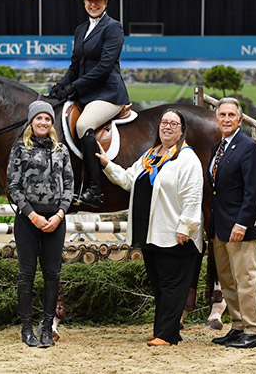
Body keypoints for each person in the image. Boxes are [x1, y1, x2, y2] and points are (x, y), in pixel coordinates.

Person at [96, 109, 204, 346]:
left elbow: (193, 196)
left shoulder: (187, 159)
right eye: (164, 122)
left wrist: (186, 227)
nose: (167, 127)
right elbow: (127, 180)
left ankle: (167, 335)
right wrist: (107, 164)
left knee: (172, 284)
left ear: (181, 130)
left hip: (175, 234)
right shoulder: (151, 156)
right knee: (159, 284)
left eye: (173, 123)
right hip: (150, 232)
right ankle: (163, 330)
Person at [49, 0, 130, 209]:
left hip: (108, 93)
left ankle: (94, 189)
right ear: (84, 3)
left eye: (98, 0)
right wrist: (60, 86)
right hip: (85, 93)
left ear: (105, 2)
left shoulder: (113, 27)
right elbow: (75, 65)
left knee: (84, 125)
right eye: (89, 0)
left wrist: (73, 88)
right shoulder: (81, 29)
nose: (93, 4)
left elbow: (105, 67)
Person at [7, 100, 74, 348]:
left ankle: (47, 328)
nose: (44, 122)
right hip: (28, 221)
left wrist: (59, 215)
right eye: (39, 119)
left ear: (51, 123)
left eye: (47, 119)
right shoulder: (19, 149)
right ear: (31, 122)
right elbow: (13, 186)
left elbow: (69, 186)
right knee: (26, 275)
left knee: (52, 274)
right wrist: (33, 216)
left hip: (56, 221)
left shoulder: (61, 150)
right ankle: (26, 330)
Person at [208, 97, 256, 349]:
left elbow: (253, 192)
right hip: (220, 227)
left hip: (240, 227)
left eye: (232, 115)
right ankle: (238, 325)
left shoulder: (249, 147)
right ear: (216, 118)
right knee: (228, 282)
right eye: (222, 115)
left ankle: (254, 331)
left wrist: (242, 224)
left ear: (240, 119)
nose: (227, 119)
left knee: (244, 280)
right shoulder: (217, 148)